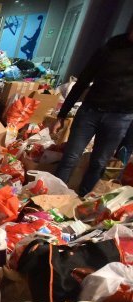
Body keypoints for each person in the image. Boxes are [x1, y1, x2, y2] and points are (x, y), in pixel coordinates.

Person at [53, 28, 133, 196]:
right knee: (70, 157)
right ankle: (54, 196)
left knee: (99, 163)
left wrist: (128, 142)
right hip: (90, 112)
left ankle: (82, 201)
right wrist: (62, 115)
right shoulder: (111, 48)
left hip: (120, 118)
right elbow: (82, 81)